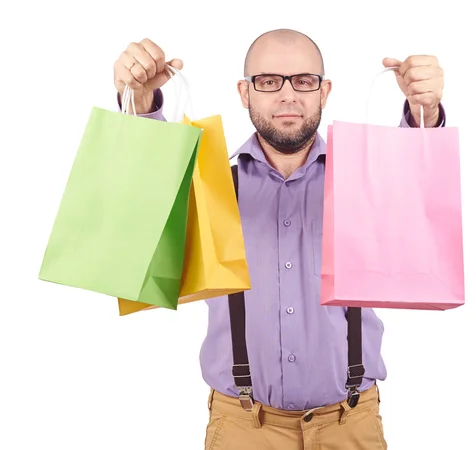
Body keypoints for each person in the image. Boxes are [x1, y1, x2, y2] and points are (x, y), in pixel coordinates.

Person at [113, 28, 446, 449]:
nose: (287, 95)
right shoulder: (214, 185)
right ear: (244, 92)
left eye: (304, 80)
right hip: (242, 428)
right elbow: (150, 204)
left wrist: (424, 113)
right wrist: (141, 106)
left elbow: (415, 194)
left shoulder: (363, 184)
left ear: (324, 92)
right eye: (268, 81)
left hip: (351, 425)